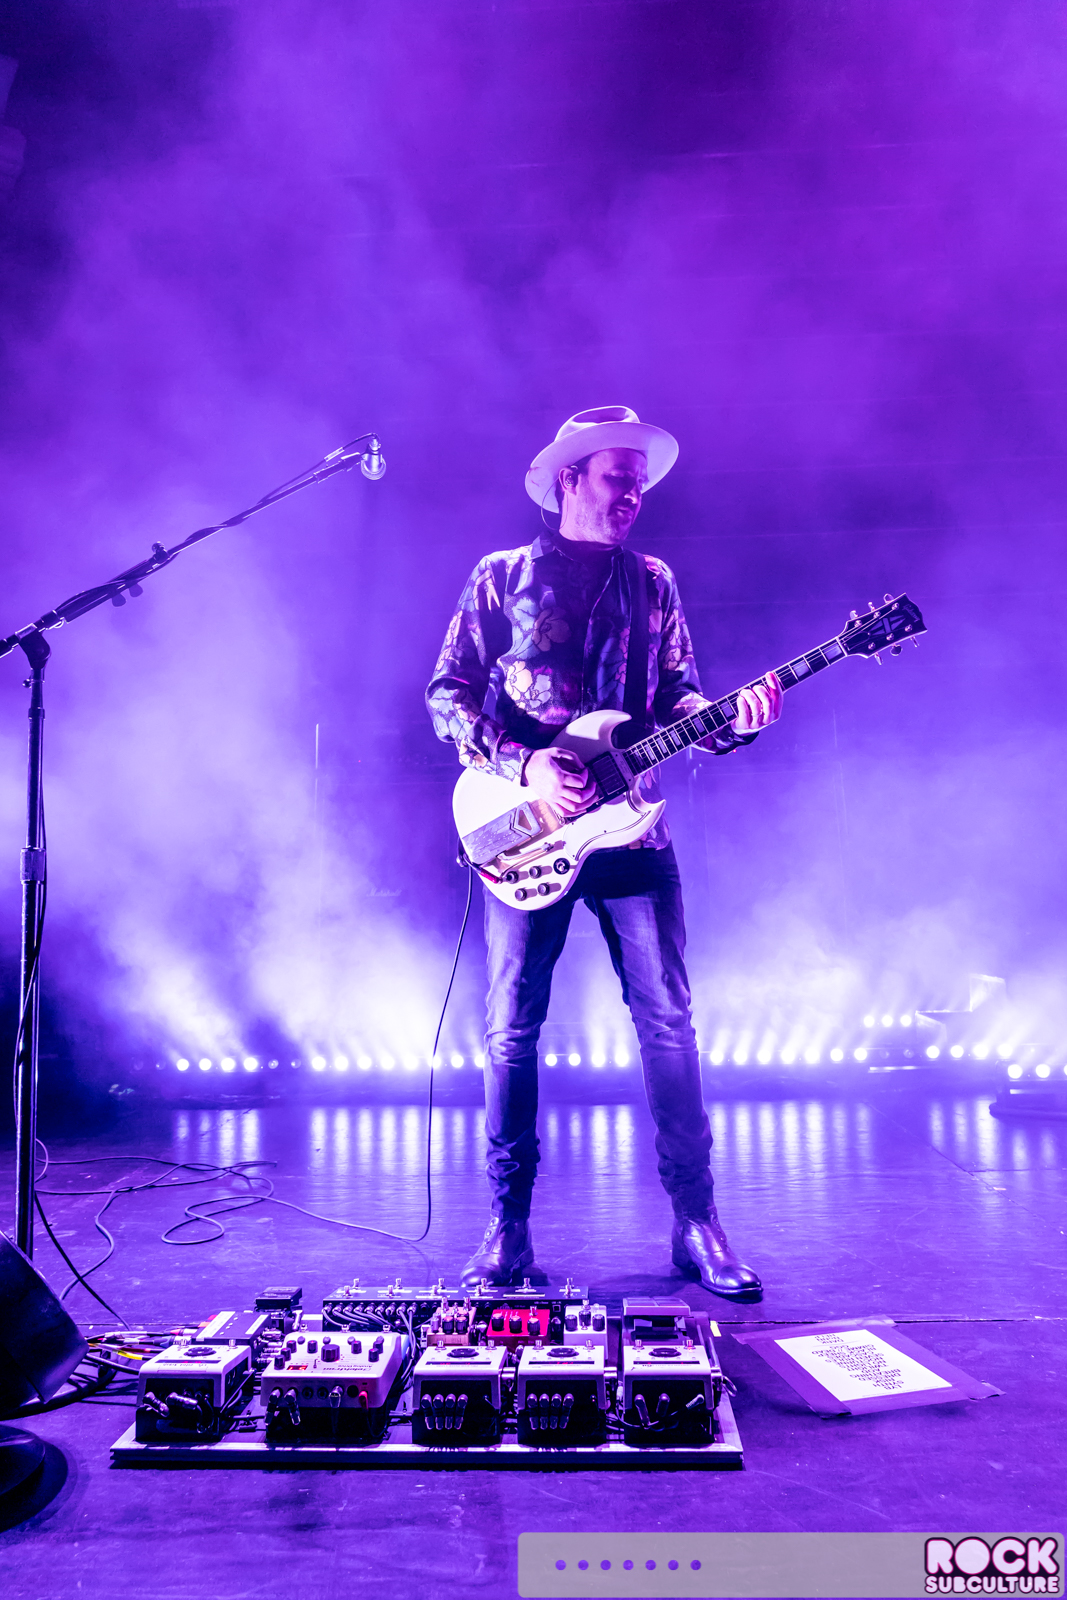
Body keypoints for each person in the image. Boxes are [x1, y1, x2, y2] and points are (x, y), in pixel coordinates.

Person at [426, 406, 782, 1299]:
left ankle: (696, 1223)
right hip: (524, 830)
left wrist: (731, 723)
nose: (632, 495)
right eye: (617, 478)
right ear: (568, 481)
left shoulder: (652, 582)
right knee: (512, 1030)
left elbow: (678, 699)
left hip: (632, 832)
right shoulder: (500, 577)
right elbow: (446, 695)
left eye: (638, 482)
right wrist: (524, 764)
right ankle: (507, 1229)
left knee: (668, 1023)